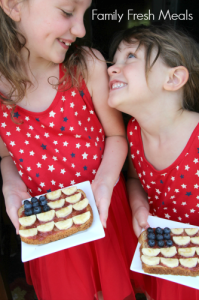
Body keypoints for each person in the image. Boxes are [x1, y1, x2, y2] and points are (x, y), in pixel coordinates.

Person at [0, 1, 139, 299]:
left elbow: (116, 135)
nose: (81, 29)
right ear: (13, 5)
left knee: (112, 289)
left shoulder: (86, 65)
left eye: (84, 14)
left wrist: (104, 181)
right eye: (66, 12)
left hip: (102, 210)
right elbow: (5, 154)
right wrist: (11, 184)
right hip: (49, 227)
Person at [108, 24, 199, 300]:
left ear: (173, 79)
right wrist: (138, 206)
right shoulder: (134, 132)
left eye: (130, 57)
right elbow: (135, 178)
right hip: (166, 263)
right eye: (114, 61)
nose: (112, 68)